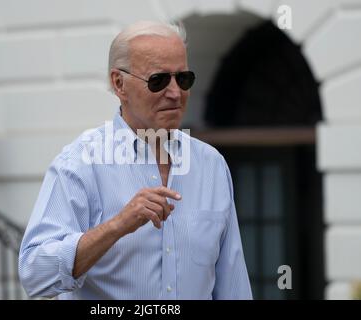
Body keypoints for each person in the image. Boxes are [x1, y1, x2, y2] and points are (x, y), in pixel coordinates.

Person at [18, 21, 252, 300]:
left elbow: (232, 283)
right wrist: (118, 225)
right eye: (159, 80)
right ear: (119, 83)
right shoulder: (80, 162)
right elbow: (34, 273)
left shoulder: (211, 164)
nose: (175, 92)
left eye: (184, 78)